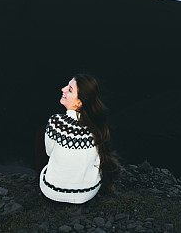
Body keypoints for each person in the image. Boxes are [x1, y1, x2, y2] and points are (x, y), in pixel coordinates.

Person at [37, 73, 120, 204]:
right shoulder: (97, 127)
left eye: (70, 89)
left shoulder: (56, 122)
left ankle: (47, 177)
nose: (63, 89)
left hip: (51, 191)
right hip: (87, 193)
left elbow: (49, 152)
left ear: (79, 102)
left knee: (42, 132)